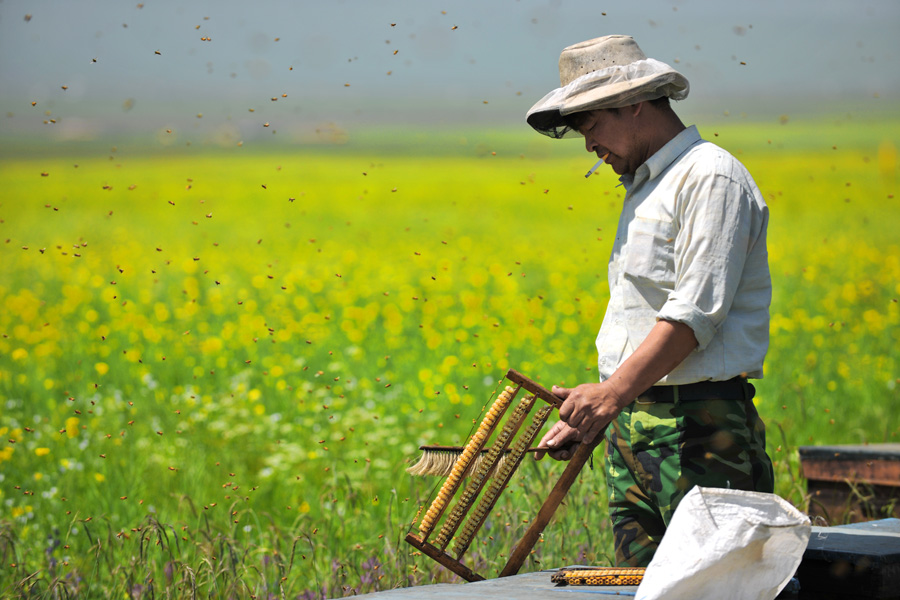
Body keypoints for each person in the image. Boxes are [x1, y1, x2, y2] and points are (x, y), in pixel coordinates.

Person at [525, 35, 775, 567]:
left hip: (701, 433)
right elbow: (639, 315)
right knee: (637, 583)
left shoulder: (710, 175)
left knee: (713, 585)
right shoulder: (644, 186)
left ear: (634, 102)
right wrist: (598, 410)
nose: (588, 145)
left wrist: (612, 392)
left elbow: (693, 315)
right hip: (632, 431)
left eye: (591, 125)